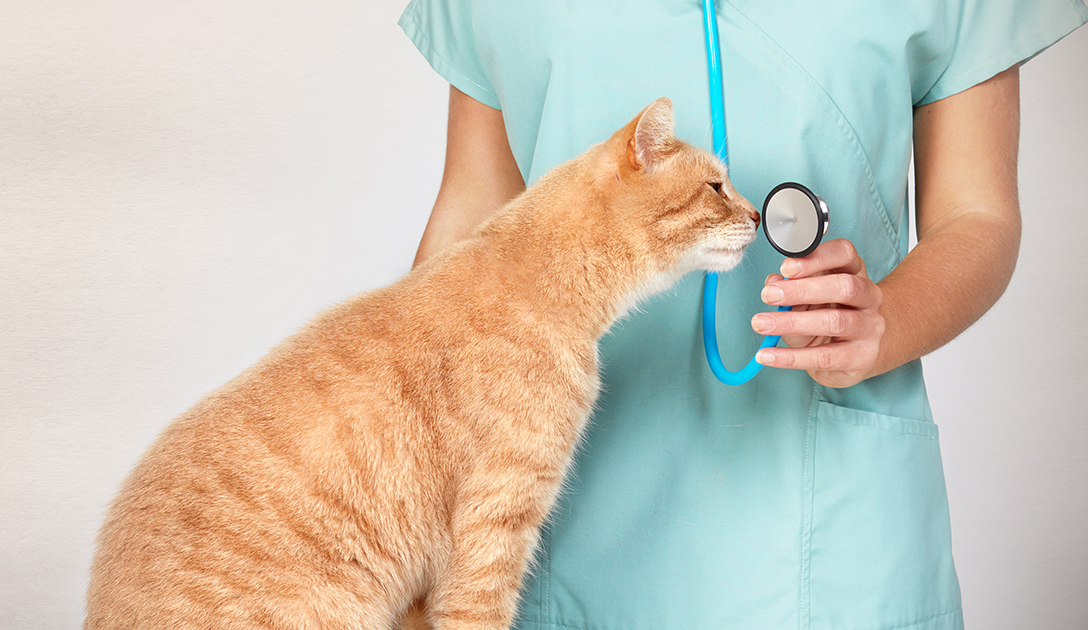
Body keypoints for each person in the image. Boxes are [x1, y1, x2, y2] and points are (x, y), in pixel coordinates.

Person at [399, 1, 1087, 628]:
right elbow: (471, 216)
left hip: (831, 531)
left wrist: (884, 322)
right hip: (548, 494)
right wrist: (395, 461)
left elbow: (978, 214)